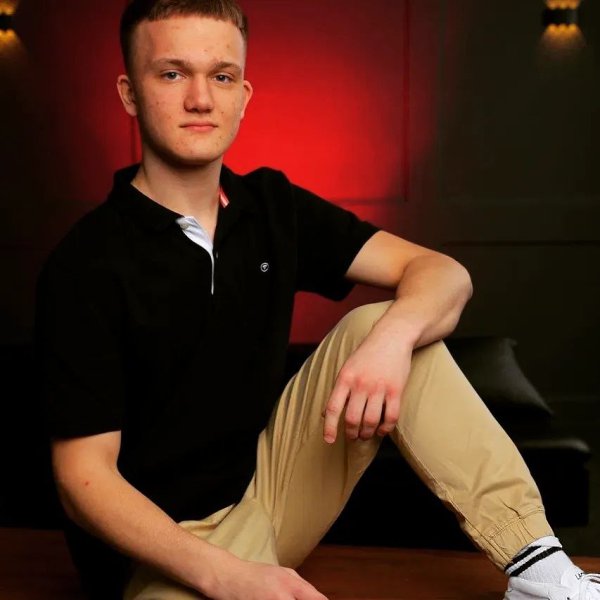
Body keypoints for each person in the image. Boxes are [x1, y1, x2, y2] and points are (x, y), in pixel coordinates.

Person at [34, 1, 599, 599]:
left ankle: (538, 572)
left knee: (388, 324)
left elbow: (443, 274)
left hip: (270, 500)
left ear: (243, 96)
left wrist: (391, 340)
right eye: (172, 73)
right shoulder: (85, 263)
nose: (200, 99)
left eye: (221, 76)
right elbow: (82, 480)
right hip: (160, 555)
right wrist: (227, 575)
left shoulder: (271, 207)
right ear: (129, 93)